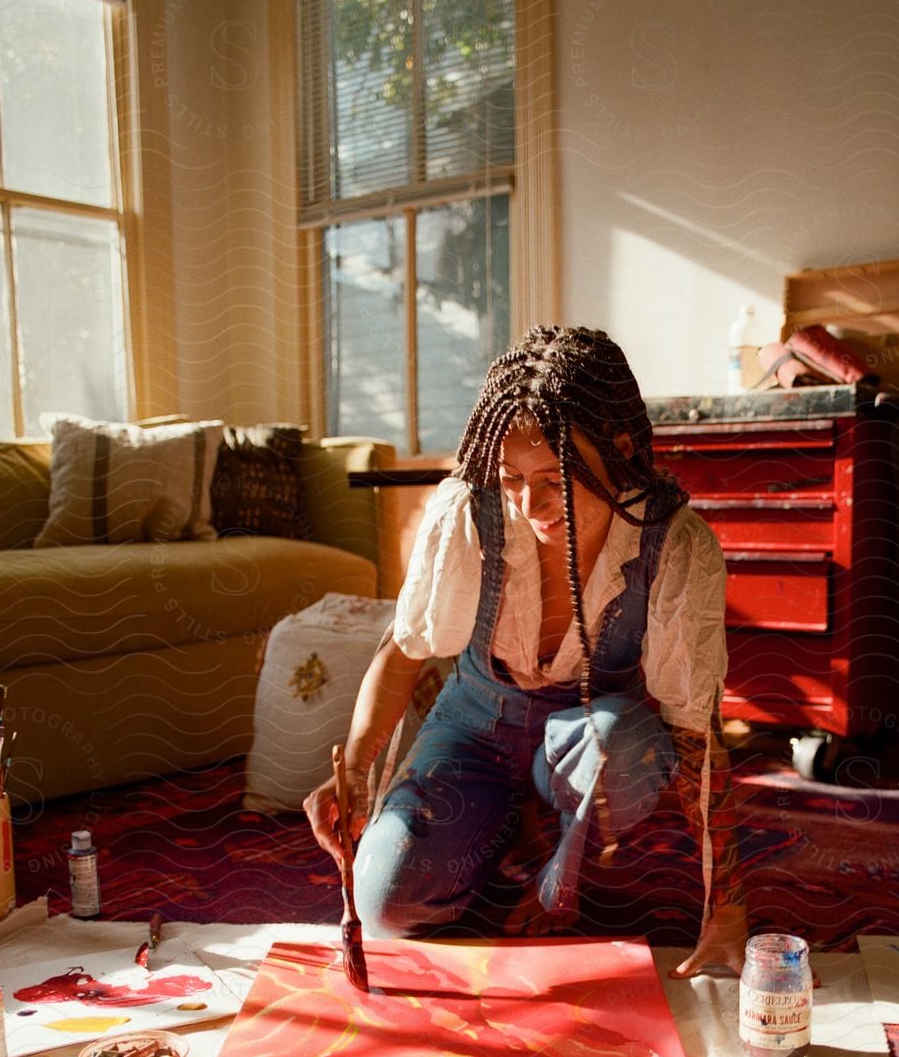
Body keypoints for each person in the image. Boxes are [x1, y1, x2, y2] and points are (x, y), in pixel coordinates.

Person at [303, 324, 747, 977]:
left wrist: (728, 911)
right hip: (474, 726)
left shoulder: (672, 541)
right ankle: (507, 821)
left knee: (620, 747)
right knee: (390, 907)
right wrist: (362, 778)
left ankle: (560, 831)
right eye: (512, 478)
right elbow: (403, 653)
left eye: (555, 479)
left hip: (589, 735)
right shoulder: (470, 515)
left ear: (620, 450)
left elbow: (695, 734)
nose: (530, 504)